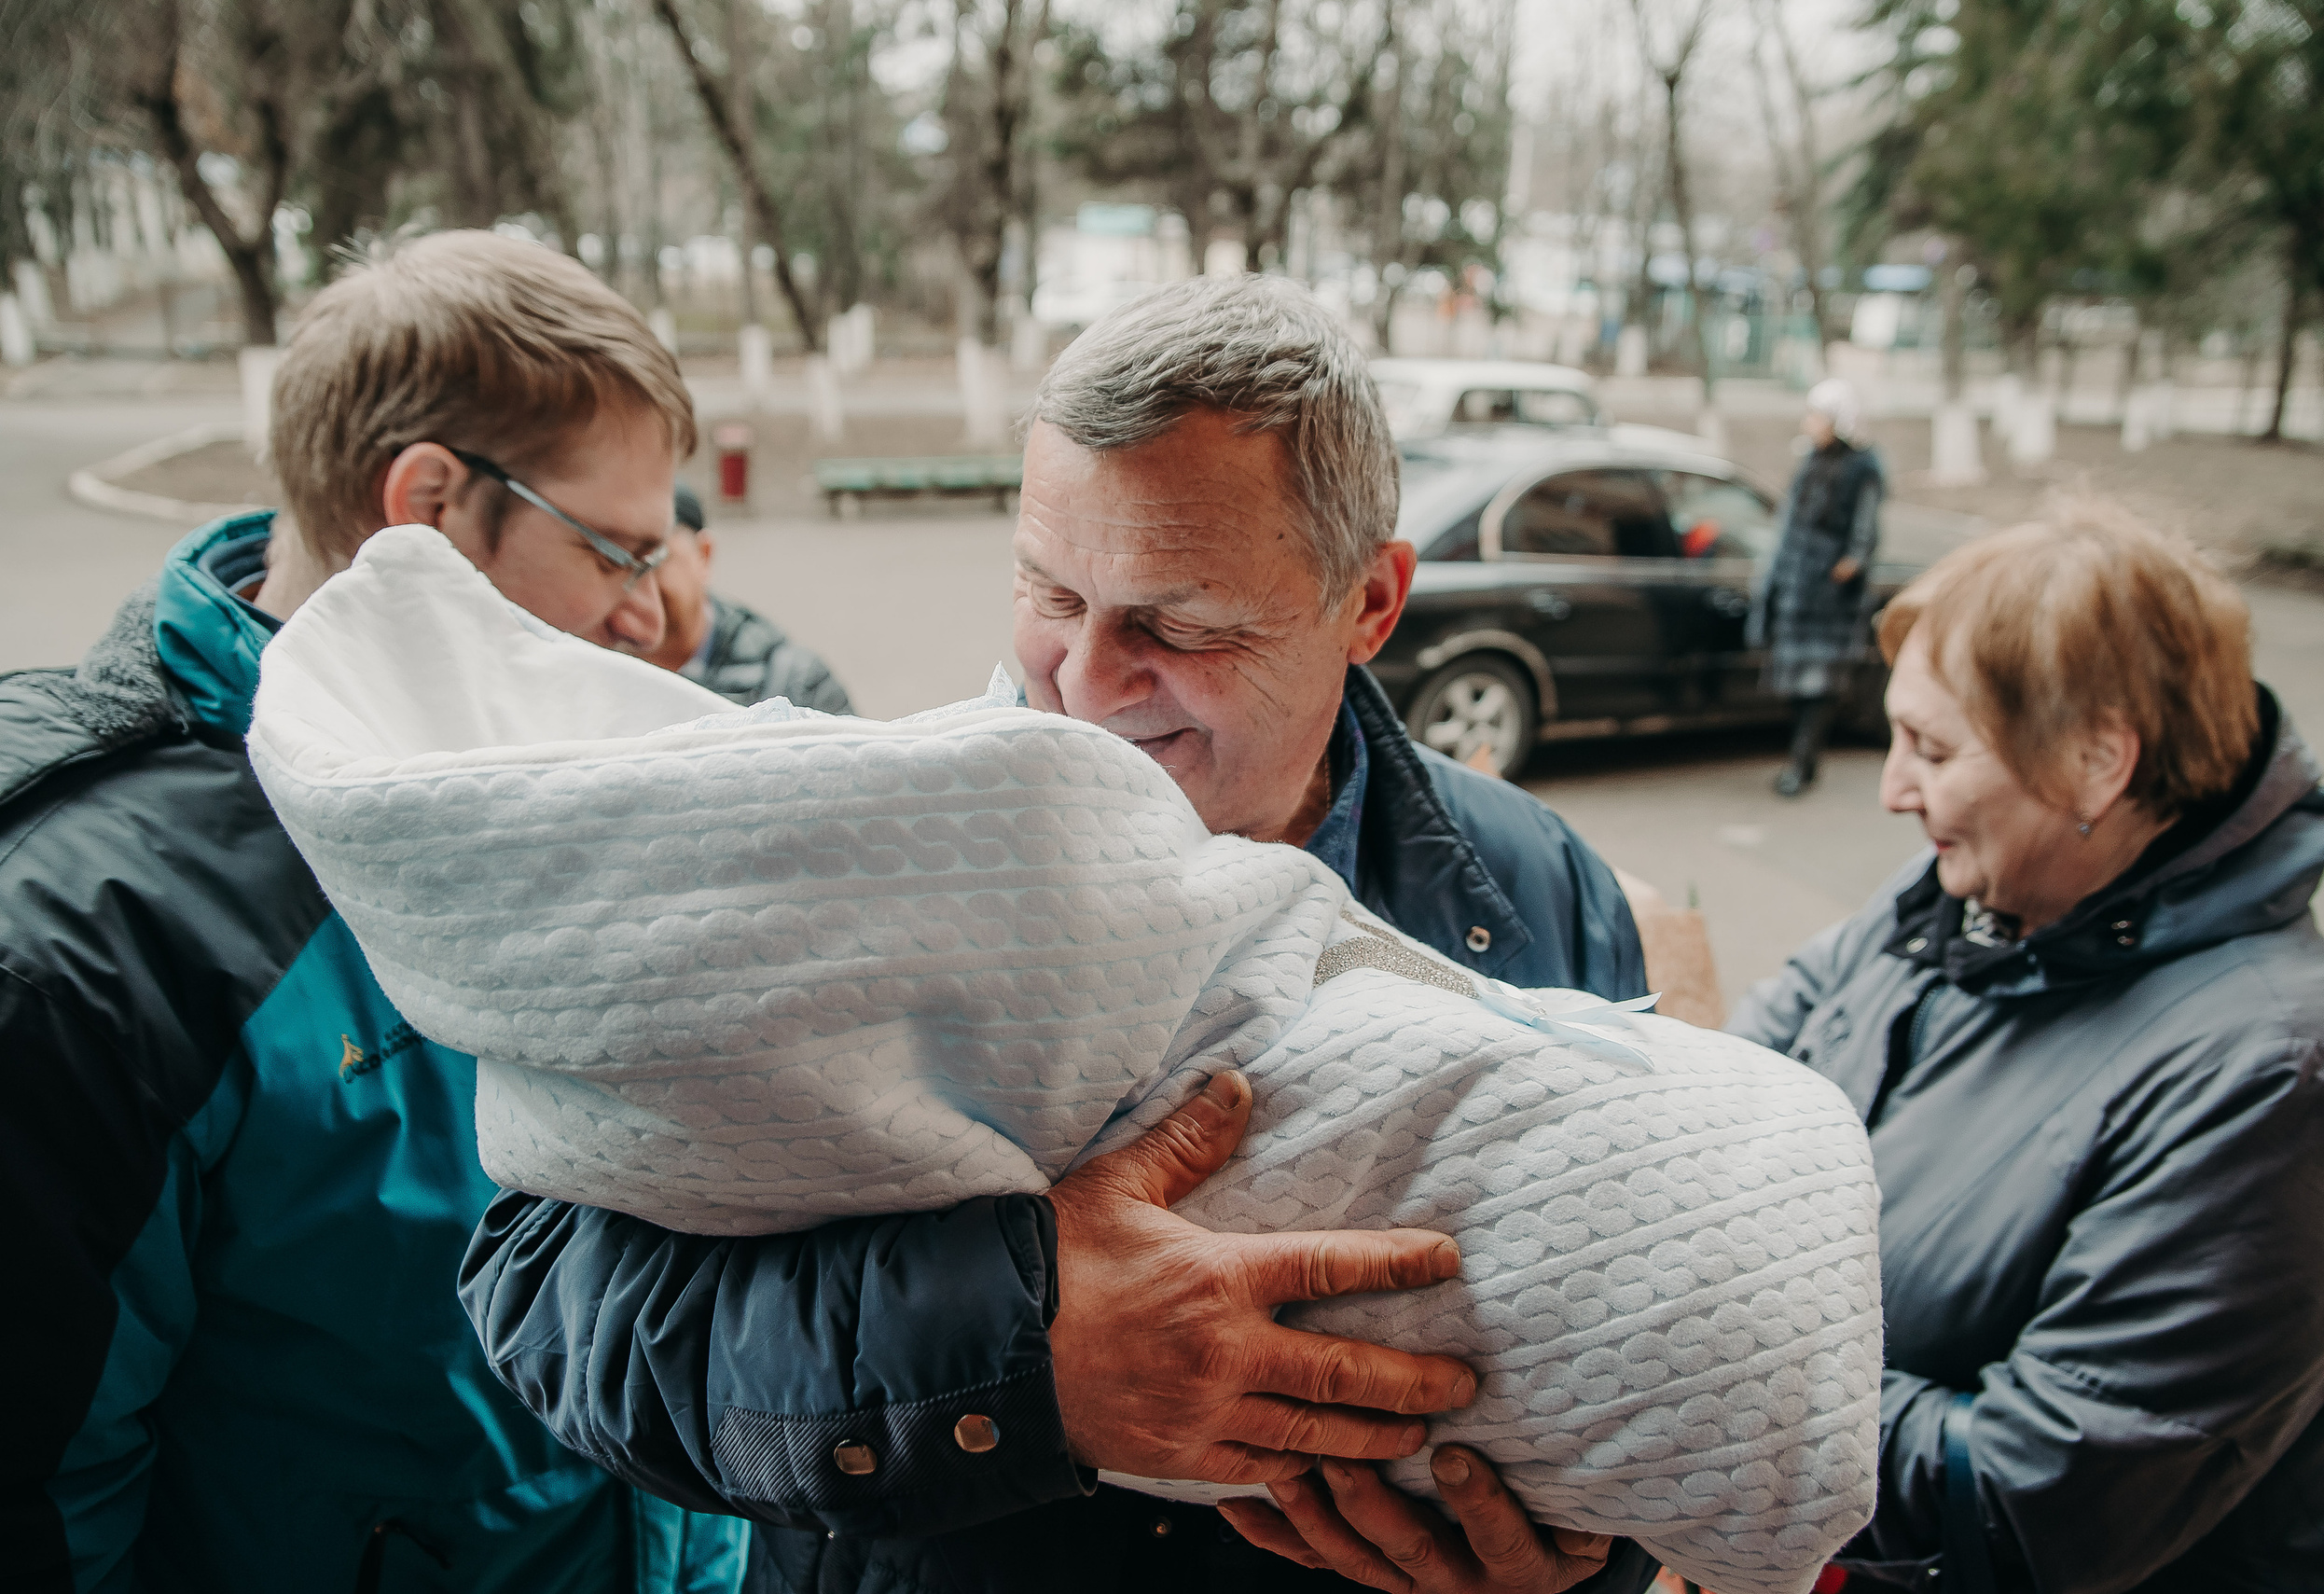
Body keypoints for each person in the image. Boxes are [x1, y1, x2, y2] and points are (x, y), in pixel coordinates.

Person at [459, 274, 1660, 1594]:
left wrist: (1577, 1565)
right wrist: (1019, 1358)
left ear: (1369, 603)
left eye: (1175, 625)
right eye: (1048, 594)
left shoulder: (1541, 895)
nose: (1083, 684)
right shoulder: (844, 832)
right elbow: (554, 1294)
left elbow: (1651, 1354)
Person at [3, 229, 749, 1590]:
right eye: (617, 553)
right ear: (426, 507)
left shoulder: (564, 779)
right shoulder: (97, 950)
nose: (657, 618)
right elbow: (49, 1499)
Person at [1730, 501, 2324, 1590]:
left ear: (2096, 761)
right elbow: (1728, 1091)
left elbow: (2036, 1501)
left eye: (1932, 749)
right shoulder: (1961, 898)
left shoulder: (2277, 1075)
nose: (1893, 788)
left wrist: (1722, 1367)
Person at [1750, 378, 1884, 797]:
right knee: (1796, 682)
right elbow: (1789, 522)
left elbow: (1864, 534)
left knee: (1818, 684)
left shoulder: (1861, 469)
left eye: (1817, 415)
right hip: (1796, 588)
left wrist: (1846, 567)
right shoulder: (1809, 461)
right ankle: (1801, 760)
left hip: (1829, 600)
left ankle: (1803, 763)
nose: (1810, 423)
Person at [652, 483, 852, 711]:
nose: (635, 583)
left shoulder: (796, 684)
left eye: (655, 558)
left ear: (703, 555)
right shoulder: (603, 683)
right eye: (615, 561)